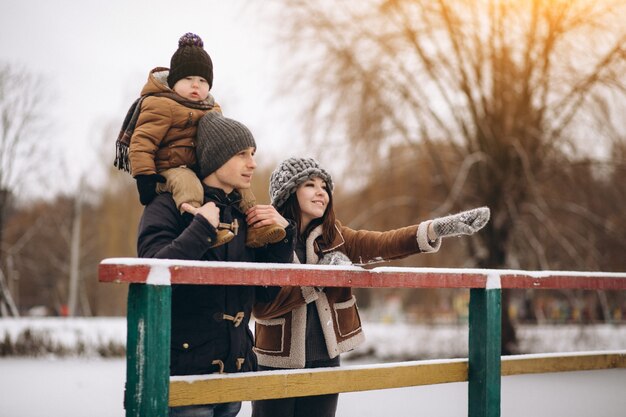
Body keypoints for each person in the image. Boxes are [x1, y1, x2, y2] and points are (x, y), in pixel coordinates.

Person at [250, 157, 491, 417]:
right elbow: (263, 306)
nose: (321, 192)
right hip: (275, 362)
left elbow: (383, 243)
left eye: (324, 186)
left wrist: (435, 229)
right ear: (288, 192)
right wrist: (321, 279)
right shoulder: (265, 236)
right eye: (310, 184)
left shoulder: (338, 237)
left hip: (325, 360)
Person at [137, 112, 296, 417]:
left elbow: (264, 294)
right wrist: (201, 229)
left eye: (253, 154)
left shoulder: (243, 214)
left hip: (233, 370)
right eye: (241, 154)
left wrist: (283, 237)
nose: (252, 163)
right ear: (215, 158)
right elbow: (151, 272)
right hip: (184, 373)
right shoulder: (167, 206)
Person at [116, 32, 285, 248]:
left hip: (199, 163)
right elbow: (143, 142)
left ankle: (255, 228)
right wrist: (145, 176)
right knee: (190, 186)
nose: (196, 85)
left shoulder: (212, 108)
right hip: (170, 166)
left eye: (203, 80)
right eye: (188, 79)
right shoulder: (160, 104)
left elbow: (220, 139)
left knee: (240, 186)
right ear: (174, 81)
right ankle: (199, 224)